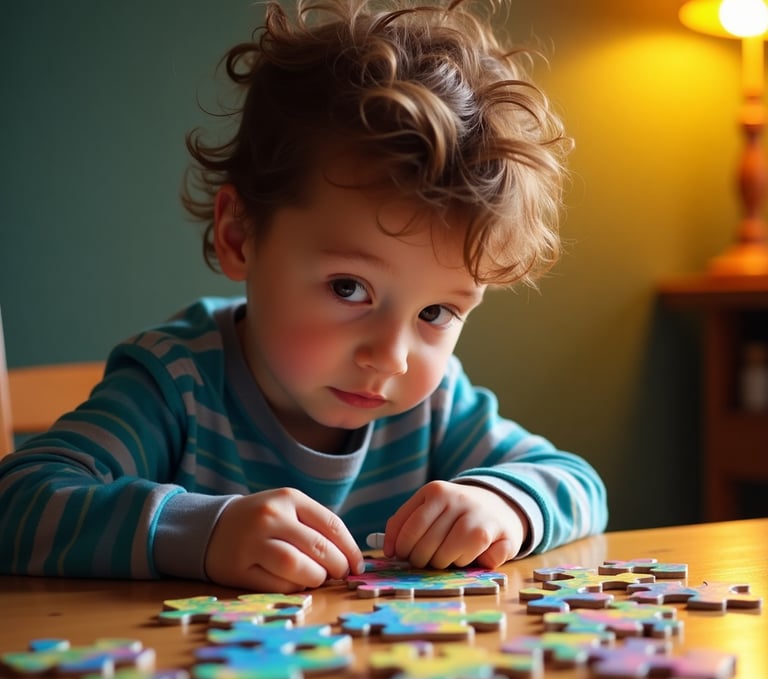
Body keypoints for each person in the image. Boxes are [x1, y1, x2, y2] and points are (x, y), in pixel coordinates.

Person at [0, 0, 607, 593]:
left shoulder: (437, 405)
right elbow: (17, 501)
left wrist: (504, 505)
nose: (392, 356)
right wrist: (199, 533)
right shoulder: (175, 385)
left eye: (436, 312)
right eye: (349, 288)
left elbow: (578, 483)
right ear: (239, 235)